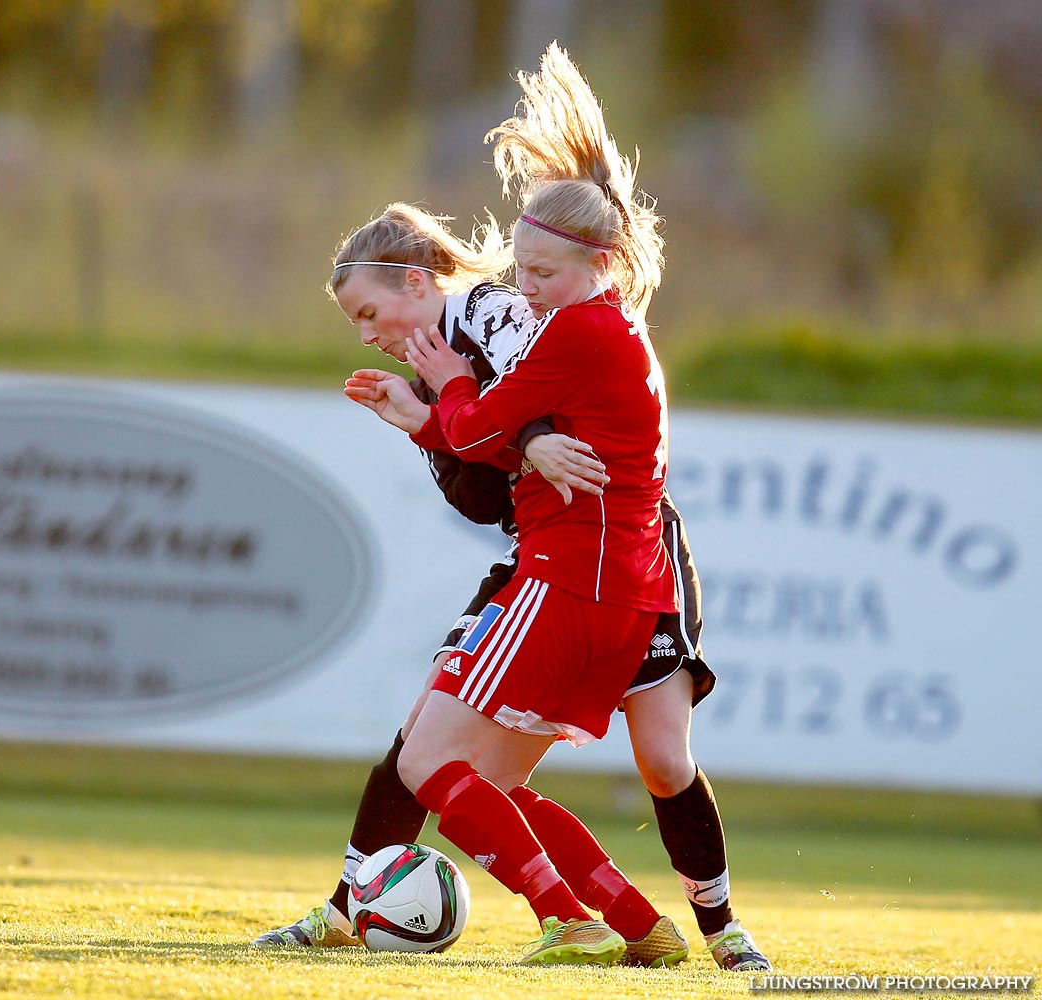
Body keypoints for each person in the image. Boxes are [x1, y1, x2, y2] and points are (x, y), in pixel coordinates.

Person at [255, 44, 771, 972]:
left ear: (417, 284)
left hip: (621, 542)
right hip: (546, 546)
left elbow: (547, 398)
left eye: (369, 314)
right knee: (441, 750)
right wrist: (428, 423)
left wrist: (504, 431)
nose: (368, 335)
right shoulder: (452, 351)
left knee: (655, 757)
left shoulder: (503, 316)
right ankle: (352, 910)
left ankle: (708, 927)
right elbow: (478, 484)